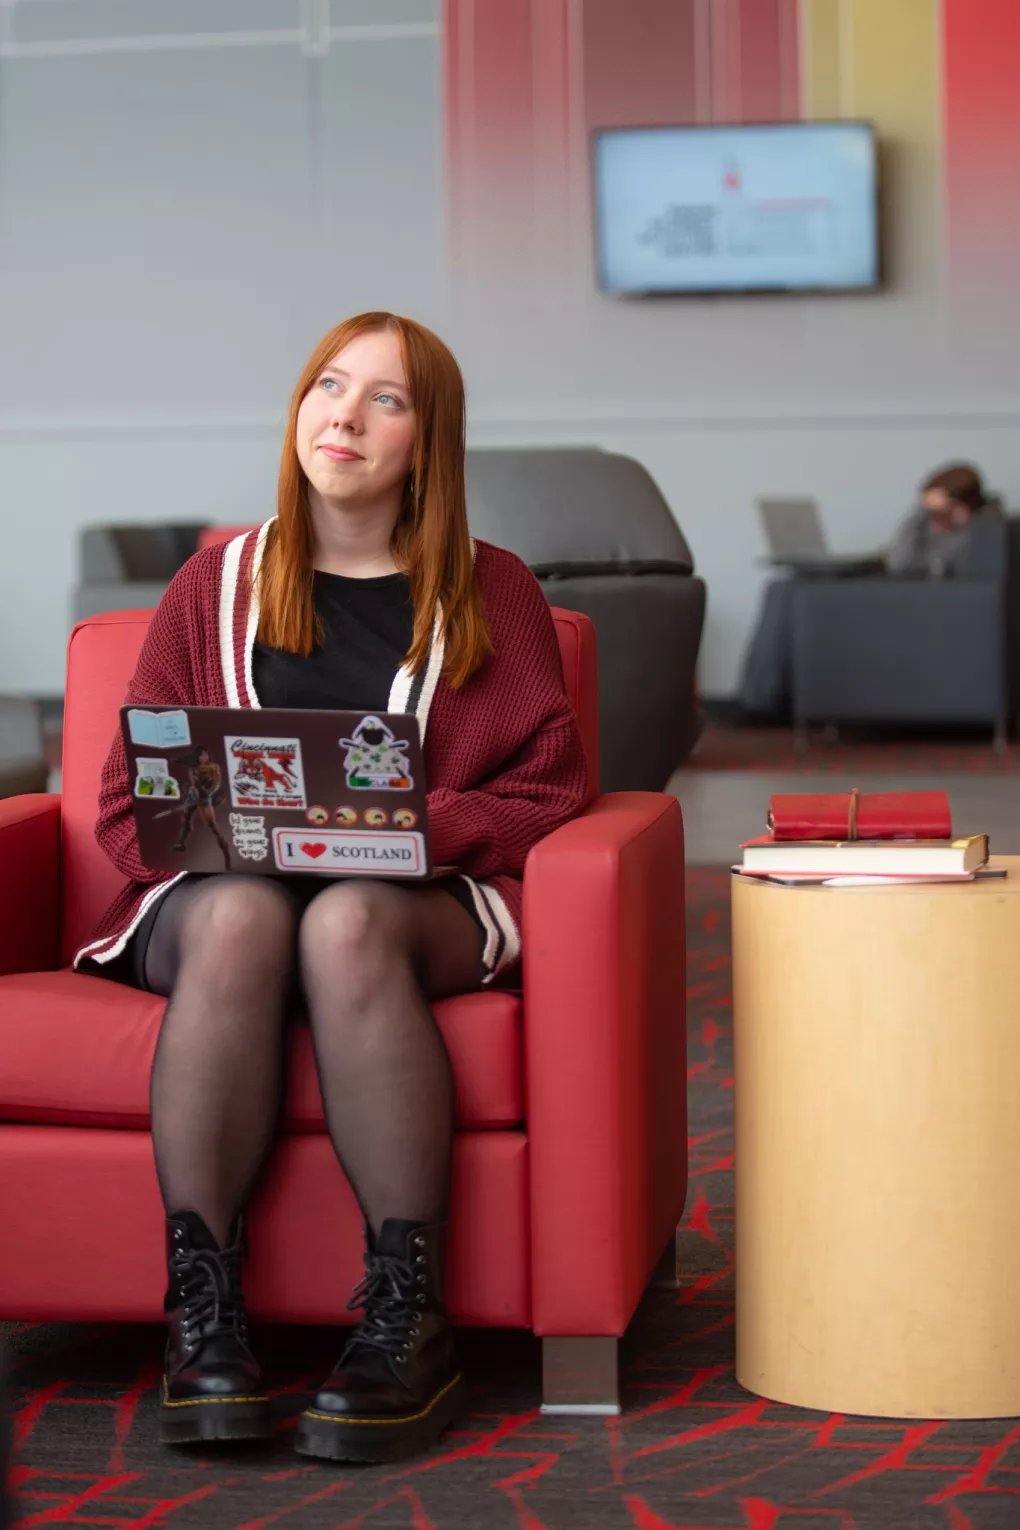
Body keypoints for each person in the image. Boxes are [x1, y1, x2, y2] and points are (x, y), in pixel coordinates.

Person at [73, 312, 588, 1462]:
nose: (345, 416)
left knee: (347, 919)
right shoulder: (215, 584)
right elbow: (124, 805)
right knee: (254, 916)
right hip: (223, 903)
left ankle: (409, 1318)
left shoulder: (492, 592)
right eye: (327, 386)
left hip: (411, 902)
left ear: (428, 440)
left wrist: (408, 829)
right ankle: (203, 1317)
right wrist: (249, 832)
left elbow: (548, 792)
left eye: (386, 399)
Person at [738, 461, 1001, 719]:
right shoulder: (936, 524)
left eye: (934, 505)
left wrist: (926, 516)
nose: (931, 514)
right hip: (881, 574)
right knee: (784, 584)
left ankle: (762, 700)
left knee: (788, 590)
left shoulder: (978, 533)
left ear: (961, 506)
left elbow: (902, 564)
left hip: (894, 593)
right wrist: (921, 513)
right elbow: (897, 556)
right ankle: (765, 695)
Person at [886, 462, 1001, 578]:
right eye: (930, 512)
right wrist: (920, 509)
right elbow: (899, 565)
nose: (934, 522)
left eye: (941, 513)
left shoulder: (989, 532)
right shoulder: (923, 522)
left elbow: (954, 566)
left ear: (963, 509)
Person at [170, 747, 230, 865]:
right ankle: (181, 842)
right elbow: (193, 782)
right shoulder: (193, 769)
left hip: (205, 796)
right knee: (186, 817)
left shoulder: (214, 767)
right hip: (194, 794)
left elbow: (216, 783)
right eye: (201, 756)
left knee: (212, 826)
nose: (203, 758)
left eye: (205, 755)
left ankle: (226, 852)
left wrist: (207, 793)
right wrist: (192, 790)